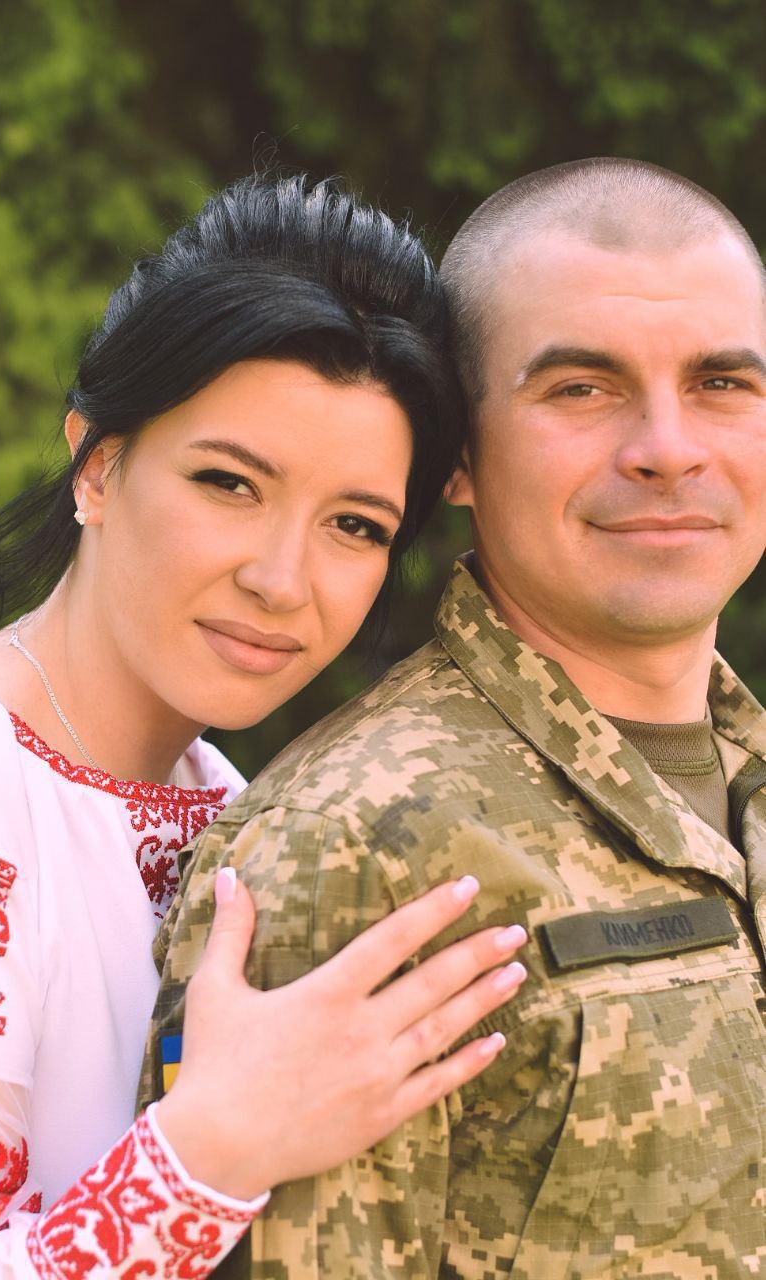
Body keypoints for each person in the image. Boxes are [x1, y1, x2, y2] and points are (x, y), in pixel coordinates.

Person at [142, 157, 766, 1279]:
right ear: (460, 461)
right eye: (581, 388)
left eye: (722, 382)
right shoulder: (361, 845)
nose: (668, 446)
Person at [0, 175, 531, 1278]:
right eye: (229, 483)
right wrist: (214, 1150)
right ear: (98, 465)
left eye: (355, 524)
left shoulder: (242, 805)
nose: (281, 579)